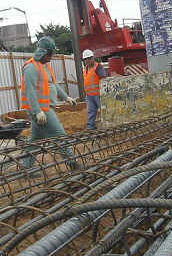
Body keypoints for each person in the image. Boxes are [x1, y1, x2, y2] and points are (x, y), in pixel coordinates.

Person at [20, 36, 76, 170]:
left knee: (35, 140)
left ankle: (26, 168)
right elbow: (30, 91)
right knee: (60, 135)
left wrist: (66, 97)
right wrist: (37, 111)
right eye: (50, 54)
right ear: (43, 53)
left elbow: (53, 84)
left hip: (45, 109)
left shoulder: (45, 66)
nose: (52, 57)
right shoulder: (31, 68)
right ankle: (72, 163)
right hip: (41, 110)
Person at [80, 49, 107, 130]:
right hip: (89, 95)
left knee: (104, 111)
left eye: (89, 58)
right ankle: (90, 127)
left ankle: (107, 125)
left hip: (99, 94)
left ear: (93, 58)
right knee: (91, 112)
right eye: (85, 59)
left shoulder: (98, 67)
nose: (87, 60)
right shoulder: (85, 69)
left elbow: (103, 79)